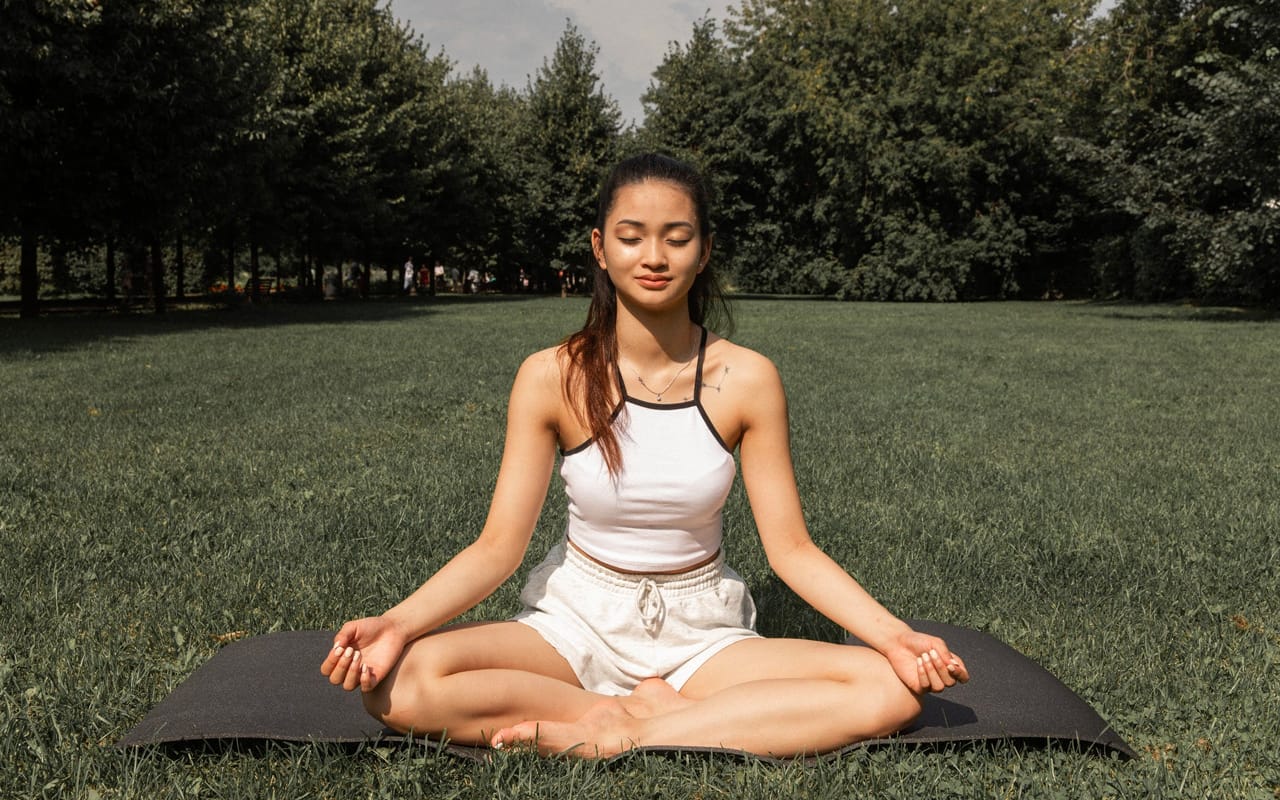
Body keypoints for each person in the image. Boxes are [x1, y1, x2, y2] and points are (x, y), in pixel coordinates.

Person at [321, 153, 969, 758]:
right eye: (631, 237)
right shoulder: (552, 376)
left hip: (702, 632)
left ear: (704, 250)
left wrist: (894, 636)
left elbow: (792, 550)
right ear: (600, 248)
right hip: (575, 624)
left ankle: (631, 732)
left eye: (677, 238)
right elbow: (497, 548)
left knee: (889, 689)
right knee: (400, 685)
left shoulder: (747, 378)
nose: (654, 256)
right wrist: (396, 624)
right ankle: (618, 713)